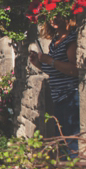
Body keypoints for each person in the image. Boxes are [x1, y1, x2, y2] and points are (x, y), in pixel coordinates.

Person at [29, 15, 80, 157]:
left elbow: (74, 70)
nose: (53, 19)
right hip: (58, 97)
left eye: (58, 15)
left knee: (71, 141)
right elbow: (56, 72)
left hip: (69, 95)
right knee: (63, 140)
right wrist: (39, 63)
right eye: (51, 17)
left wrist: (50, 60)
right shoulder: (55, 41)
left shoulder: (70, 39)